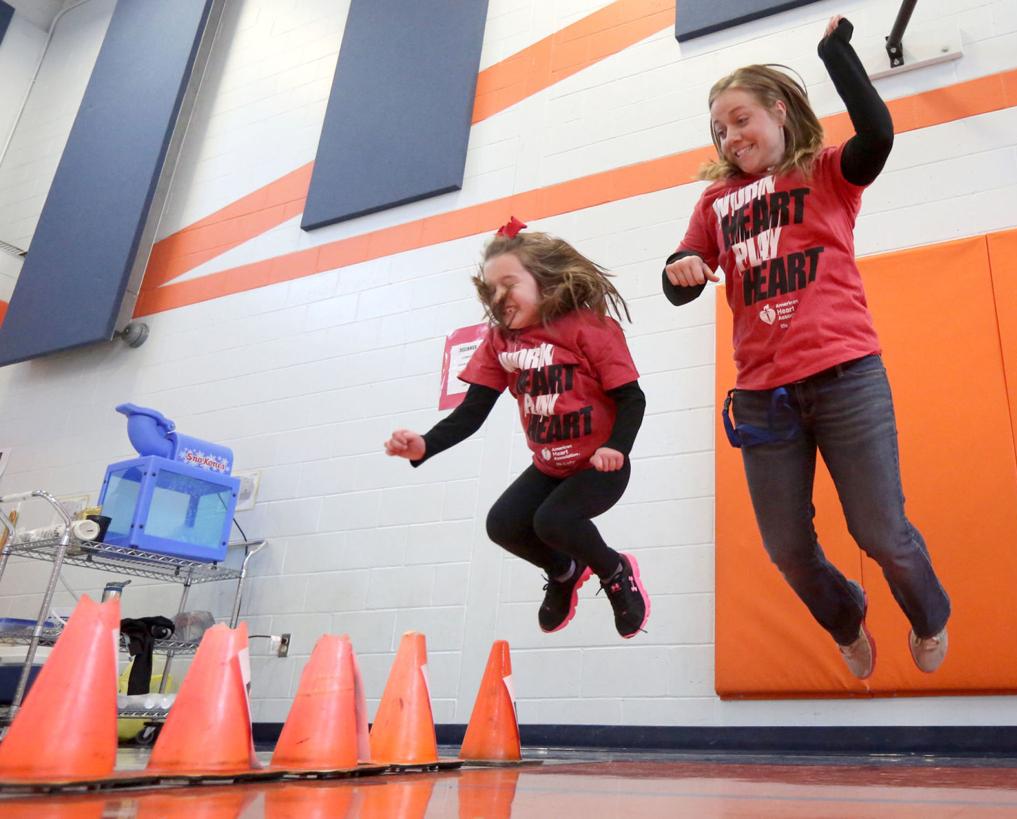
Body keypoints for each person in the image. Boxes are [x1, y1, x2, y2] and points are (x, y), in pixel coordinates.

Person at [662, 16, 950, 678]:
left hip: (847, 378)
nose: (731, 137)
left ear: (780, 111)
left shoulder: (823, 175)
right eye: (719, 130)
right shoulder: (715, 204)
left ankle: (929, 613)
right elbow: (685, 268)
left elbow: (877, 135)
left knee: (882, 533)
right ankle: (845, 614)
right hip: (765, 399)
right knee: (787, 548)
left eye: (740, 119)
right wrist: (677, 270)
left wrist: (835, 53)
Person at [386, 218, 650, 639]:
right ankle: (564, 571)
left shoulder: (589, 328)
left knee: (552, 520)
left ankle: (615, 571)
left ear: (543, 279)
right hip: (549, 467)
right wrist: (424, 445)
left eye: (509, 283)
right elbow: (472, 413)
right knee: (503, 524)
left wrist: (617, 446)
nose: (500, 297)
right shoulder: (499, 342)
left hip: (599, 466)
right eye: (491, 290)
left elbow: (631, 397)